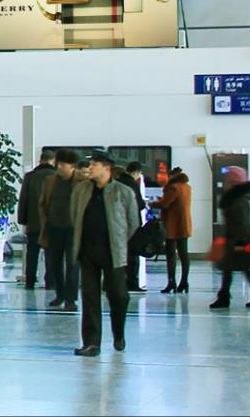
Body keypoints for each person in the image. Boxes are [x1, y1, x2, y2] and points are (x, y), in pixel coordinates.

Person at [71, 151, 139, 357]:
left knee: (118, 295)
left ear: (107, 168)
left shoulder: (123, 192)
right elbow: (74, 216)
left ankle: (118, 333)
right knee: (89, 297)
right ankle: (91, 343)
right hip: (87, 251)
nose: (90, 168)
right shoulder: (81, 190)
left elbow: (133, 222)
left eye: (95, 164)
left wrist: (120, 241)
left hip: (113, 252)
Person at [210, 166, 250, 309]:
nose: (225, 182)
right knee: (236, 268)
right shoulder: (237, 198)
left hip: (238, 241)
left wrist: (240, 242)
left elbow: (242, 223)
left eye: (227, 179)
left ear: (233, 182)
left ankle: (226, 297)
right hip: (234, 240)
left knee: (233, 268)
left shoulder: (237, 200)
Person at [38, 149, 83, 311]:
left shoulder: (82, 182)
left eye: (63, 164)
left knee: (72, 263)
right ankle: (60, 294)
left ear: (72, 166)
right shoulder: (50, 181)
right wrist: (46, 220)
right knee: (55, 263)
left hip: (73, 229)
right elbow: (43, 202)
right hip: (54, 227)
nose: (59, 167)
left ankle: (71, 298)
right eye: (58, 163)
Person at [149, 166, 193, 294]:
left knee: (171, 255)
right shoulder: (187, 187)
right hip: (184, 224)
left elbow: (164, 204)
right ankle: (184, 282)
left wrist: (152, 203)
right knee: (184, 254)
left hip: (172, 225)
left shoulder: (173, 187)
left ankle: (171, 282)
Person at [17, 149, 56, 290]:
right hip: (51, 224)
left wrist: (22, 219)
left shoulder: (30, 176)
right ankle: (50, 282)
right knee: (51, 255)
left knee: (32, 254)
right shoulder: (56, 176)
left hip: (33, 223)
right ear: (53, 161)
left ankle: (30, 281)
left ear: (40, 160)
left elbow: (23, 200)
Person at [115, 162, 147, 292]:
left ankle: (116, 282)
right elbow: (140, 204)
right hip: (131, 224)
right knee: (133, 254)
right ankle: (132, 282)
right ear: (135, 172)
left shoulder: (116, 182)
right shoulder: (132, 184)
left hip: (118, 223)